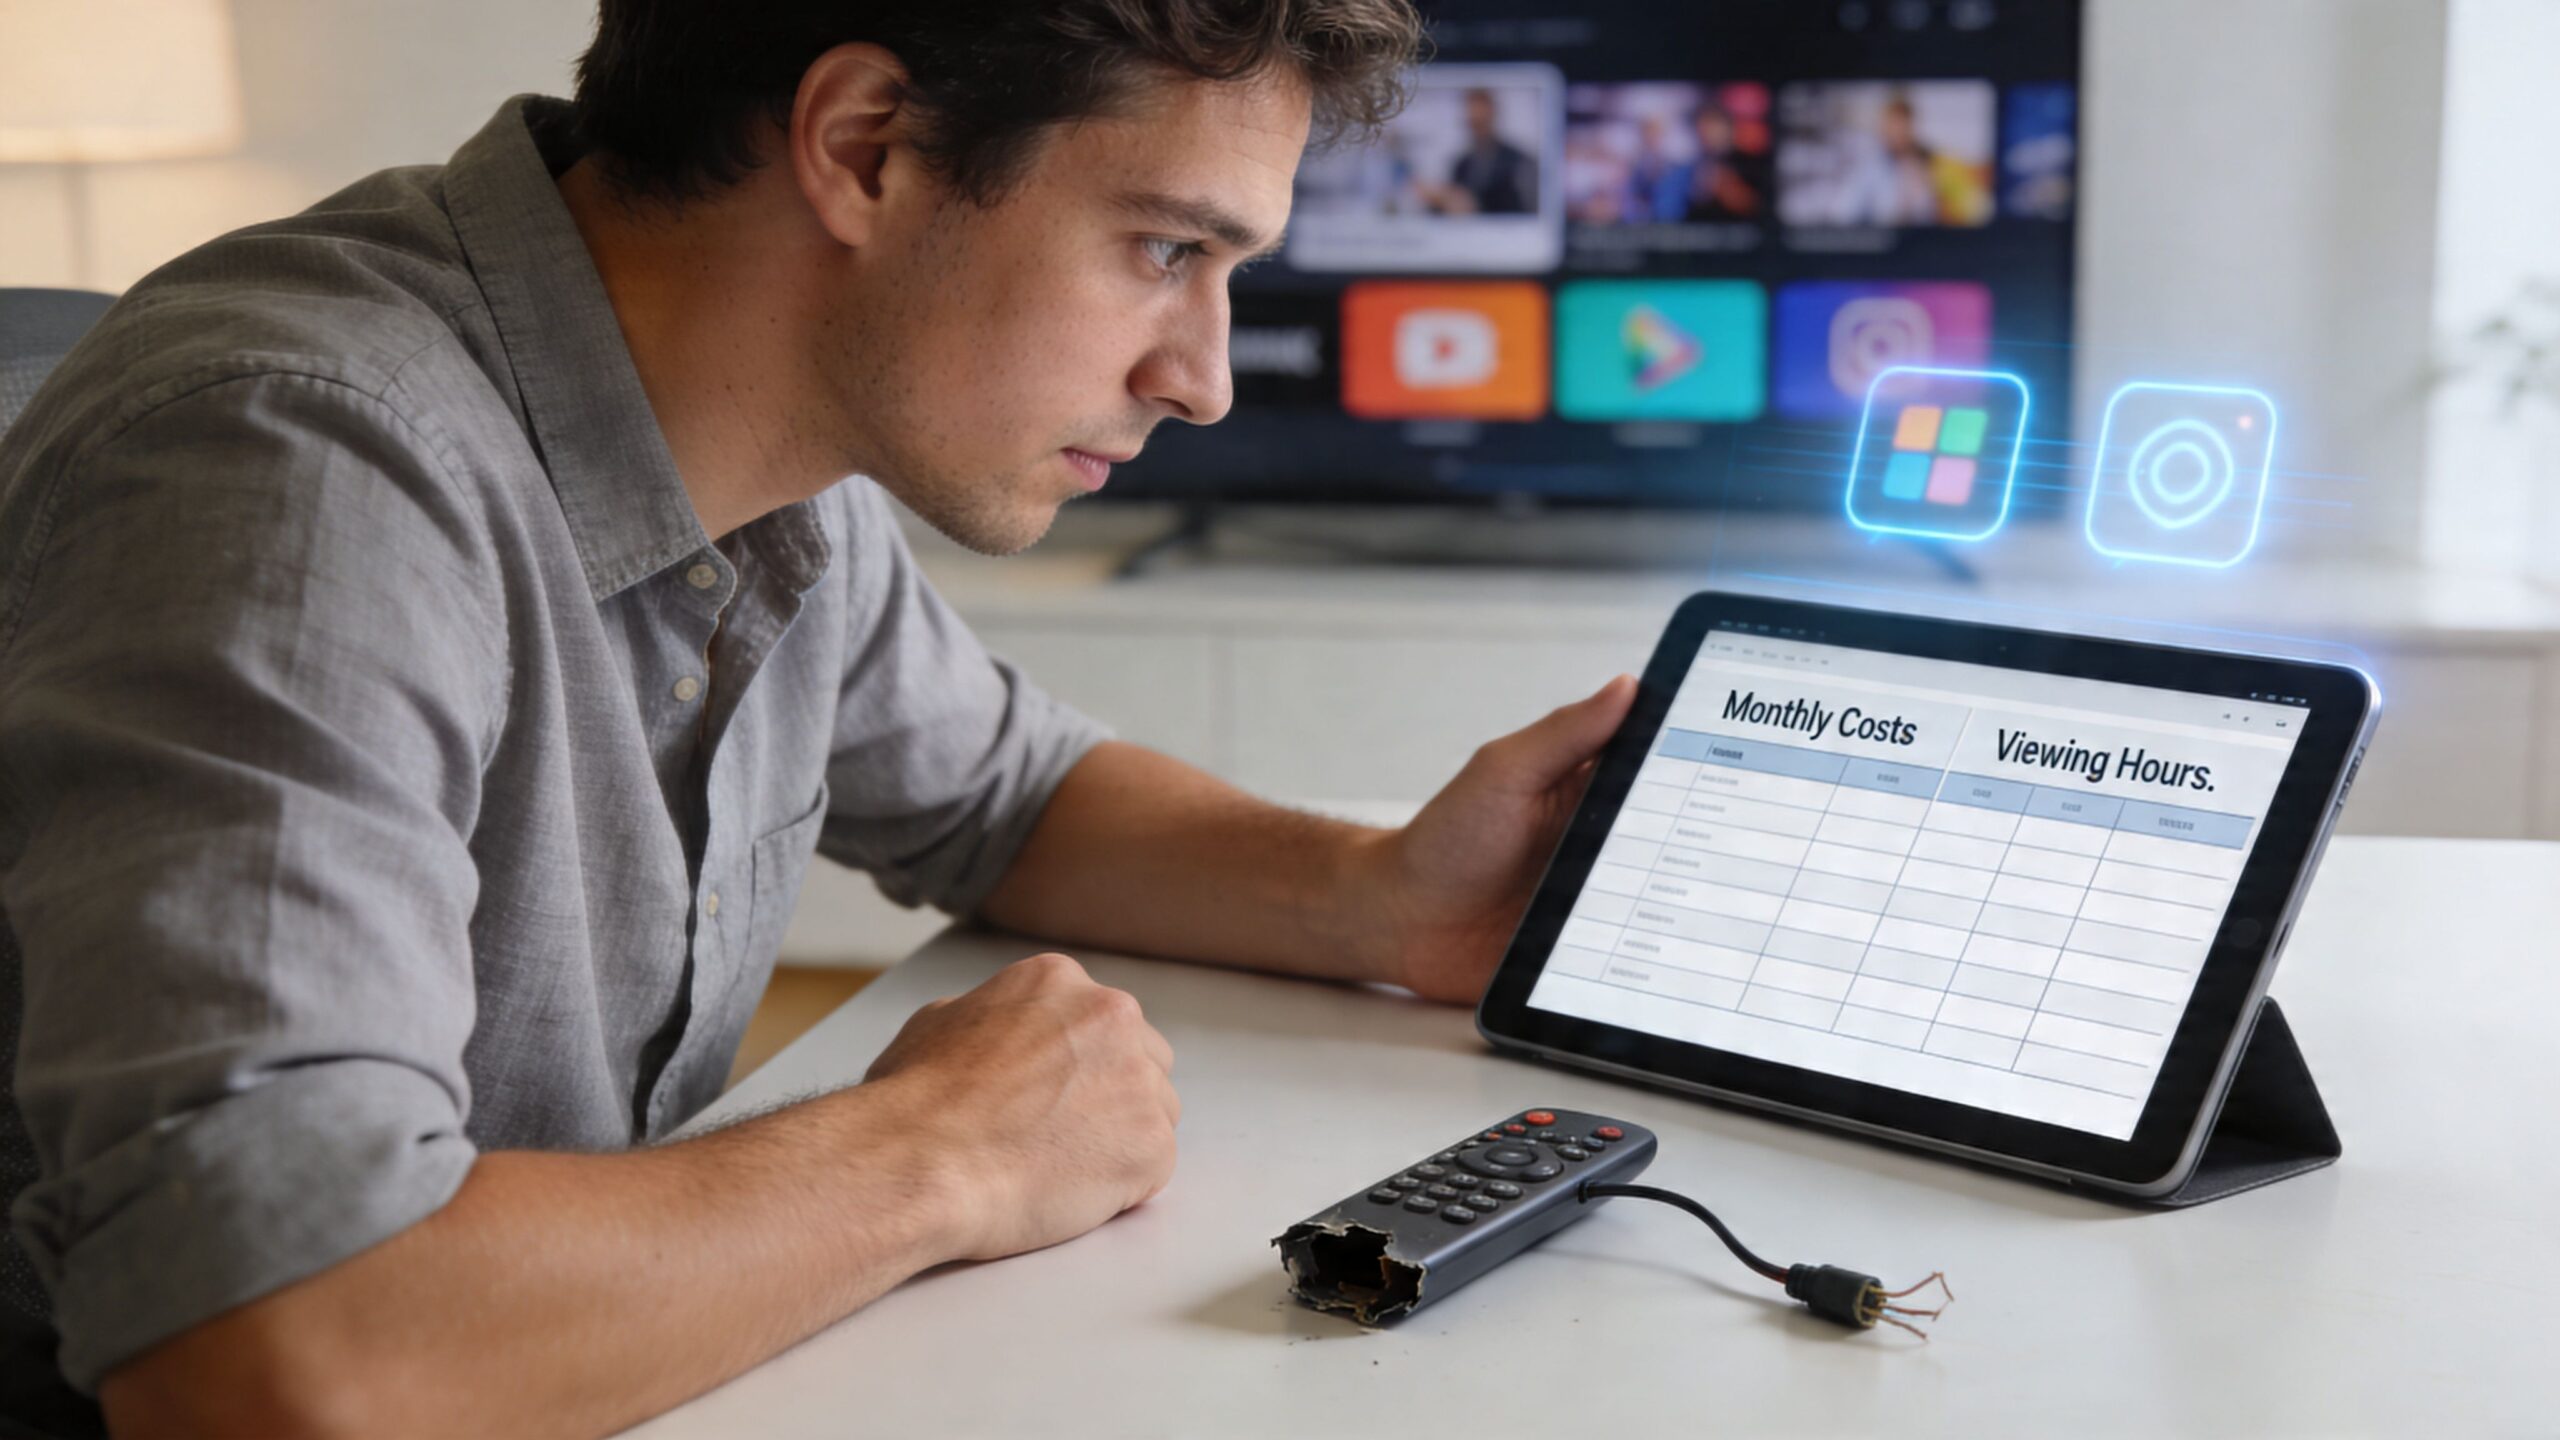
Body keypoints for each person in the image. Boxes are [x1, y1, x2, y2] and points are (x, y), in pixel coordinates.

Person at [0, 1, 1643, 1435]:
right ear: (864, 147)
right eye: (1165, 248)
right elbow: (275, 1358)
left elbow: (1011, 798)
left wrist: (1379, 894)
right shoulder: (304, 467)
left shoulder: (775, 434)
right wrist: (947, 1146)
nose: (1203, 376)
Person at [1429, 86, 1538, 216]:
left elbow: (1526, 213)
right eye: (1473, 123)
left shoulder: (1518, 162)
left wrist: (1474, 206)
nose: (1477, 130)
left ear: (1493, 116)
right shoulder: (1461, 164)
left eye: (1482, 122)